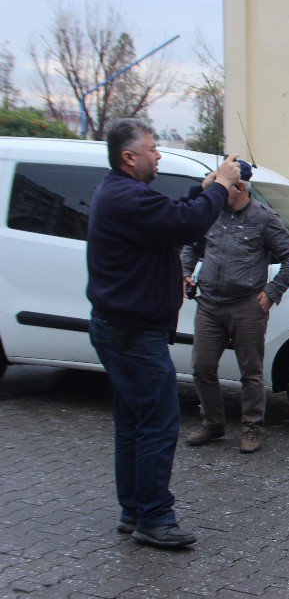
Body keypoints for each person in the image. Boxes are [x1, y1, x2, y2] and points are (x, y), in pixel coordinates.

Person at [87, 119, 241, 548]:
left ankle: (134, 510)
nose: (159, 154)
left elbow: (171, 217)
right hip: (133, 334)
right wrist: (219, 187)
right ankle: (154, 518)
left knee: (134, 423)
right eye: (152, 149)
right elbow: (186, 225)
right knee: (157, 422)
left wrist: (206, 188)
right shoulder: (126, 197)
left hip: (121, 329)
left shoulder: (123, 194)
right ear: (128, 157)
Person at [181, 160, 289, 454]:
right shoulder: (211, 212)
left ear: (241, 187)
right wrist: (185, 271)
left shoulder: (264, 218)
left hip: (246, 305)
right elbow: (191, 243)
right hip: (209, 304)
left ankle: (251, 428)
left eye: (226, 184)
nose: (220, 189)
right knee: (201, 366)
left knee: (250, 371)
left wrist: (272, 293)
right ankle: (212, 424)